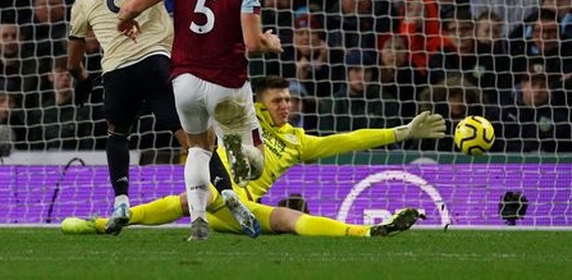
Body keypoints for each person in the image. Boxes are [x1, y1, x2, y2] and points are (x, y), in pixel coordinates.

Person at [62, 75, 446, 238]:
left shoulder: (298, 141)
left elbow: (347, 139)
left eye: (289, 99)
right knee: (198, 197)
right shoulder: (241, 119)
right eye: (277, 100)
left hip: (245, 210)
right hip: (218, 195)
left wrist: (403, 132)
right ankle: (100, 223)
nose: (286, 106)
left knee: (288, 219)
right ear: (260, 105)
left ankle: (365, 232)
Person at [117, 0, 283, 240]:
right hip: (228, 82)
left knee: (198, 148)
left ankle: (198, 222)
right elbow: (251, 42)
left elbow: (131, 6)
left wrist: (126, 20)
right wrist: (269, 43)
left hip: (186, 80)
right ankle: (238, 155)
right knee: (257, 163)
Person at [67, 0, 184, 234]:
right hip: (156, 61)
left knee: (117, 132)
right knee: (188, 135)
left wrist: (82, 79)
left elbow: (73, 58)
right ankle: (222, 190)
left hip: (116, 71)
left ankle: (121, 200)